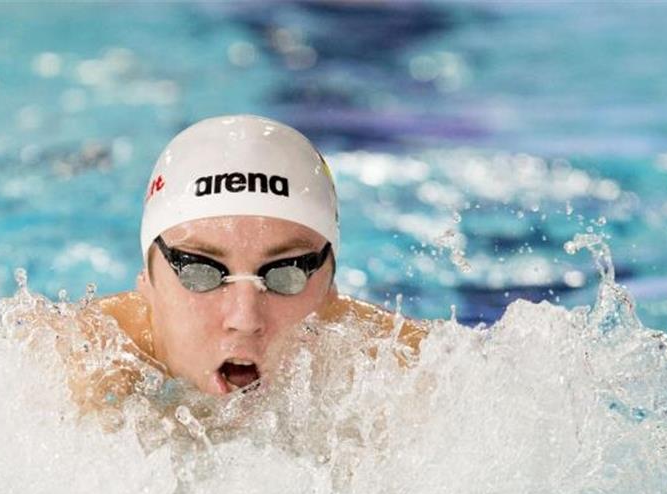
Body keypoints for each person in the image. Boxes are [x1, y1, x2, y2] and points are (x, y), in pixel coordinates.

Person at [39, 114, 428, 410]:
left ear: (330, 291)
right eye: (200, 271)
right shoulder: (69, 366)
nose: (245, 318)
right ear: (148, 283)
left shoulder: (412, 375)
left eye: (286, 274)